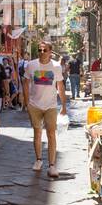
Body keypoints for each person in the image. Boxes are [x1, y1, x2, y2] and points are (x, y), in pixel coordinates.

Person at [23, 40, 66, 178]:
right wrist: (26, 102)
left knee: (51, 134)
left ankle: (52, 165)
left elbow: (60, 86)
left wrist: (64, 105)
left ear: (50, 52)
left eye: (44, 50)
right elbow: (25, 83)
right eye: (40, 50)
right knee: (37, 133)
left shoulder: (56, 66)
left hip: (50, 106)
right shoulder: (31, 65)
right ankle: (38, 160)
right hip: (34, 105)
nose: (42, 52)